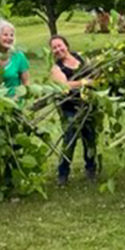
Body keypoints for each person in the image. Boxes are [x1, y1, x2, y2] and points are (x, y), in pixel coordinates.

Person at [49, 35, 98, 186]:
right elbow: (64, 86)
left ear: (67, 45)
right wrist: (82, 82)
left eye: (60, 45)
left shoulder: (81, 58)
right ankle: (63, 173)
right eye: (54, 48)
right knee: (69, 140)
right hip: (70, 108)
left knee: (90, 139)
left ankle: (91, 170)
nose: (58, 49)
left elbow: (95, 73)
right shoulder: (56, 69)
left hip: (88, 105)